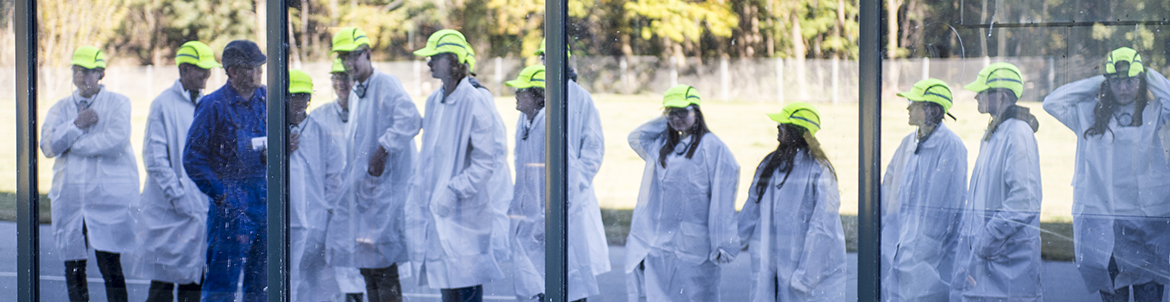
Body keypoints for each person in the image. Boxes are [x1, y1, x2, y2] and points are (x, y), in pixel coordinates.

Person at [1043, 47, 1170, 302]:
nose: (1123, 88)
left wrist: (1149, 75)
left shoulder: (1155, 114)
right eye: (1116, 81)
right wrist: (1097, 83)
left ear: (1140, 81)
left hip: (1145, 229)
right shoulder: (1090, 115)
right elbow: (1052, 102)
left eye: (1131, 81)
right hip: (1107, 233)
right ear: (1108, 82)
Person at [406, 29, 507, 302]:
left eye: (434, 57)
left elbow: (487, 161)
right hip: (438, 211)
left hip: (465, 214)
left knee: (466, 285)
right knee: (446, 285)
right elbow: (430, 158)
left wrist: (452, 192)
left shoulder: (474, 100)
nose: (428, 63)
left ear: (453, 61)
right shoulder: (433, 101)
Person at [326, 27, 422, 302]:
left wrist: (383, 149)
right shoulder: (358, 92)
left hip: (385, 193)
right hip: (367, 194)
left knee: (383, 267)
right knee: (368, 267)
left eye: (353, 57)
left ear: (368, 54)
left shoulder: (385, 84)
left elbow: (411, 119)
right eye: (344, 58)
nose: (348, 64)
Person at [625, 84, 740, 301]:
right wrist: (667, 119)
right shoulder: (664, 145)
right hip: (662, 242)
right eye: (671, 113)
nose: (677, 119)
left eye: (683, 112)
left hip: (696, 244)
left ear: (697, 111)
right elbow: (636, 137)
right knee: (660, 295)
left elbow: (723, 200)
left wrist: (724, 242)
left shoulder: (712, 147)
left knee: (695, 295)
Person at [40, 45, 136, 302]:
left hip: (103, 200)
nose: (81, 77)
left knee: (110, 266)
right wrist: (76, 125)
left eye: (87, 71)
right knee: (73, 269)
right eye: (77, 70)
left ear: (101, 74)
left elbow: (115, 141)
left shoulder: (118, 103)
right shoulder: (61, 109)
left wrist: (73, 144)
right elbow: (48, 146)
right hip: (70, 200)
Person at [183, 39, 269, 302]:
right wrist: (222, 195)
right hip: (230, 211)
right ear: (232, 71)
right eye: (252, 67)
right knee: (222, 284)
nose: (259, 72)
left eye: (260, 66)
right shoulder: (213, 106)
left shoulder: (266, 98)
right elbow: (192, 159)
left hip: (264, 203)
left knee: (262, 283)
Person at [950, 62, 1043, 302]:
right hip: (991, 260)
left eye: (982, 91)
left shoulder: (1017, 133)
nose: (975, 96)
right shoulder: (996, 132)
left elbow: (1024, 200)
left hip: (1006, 264)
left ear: (1001, 96)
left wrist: (986, 239)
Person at [736, 102, 846, 302]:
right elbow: (752, 207)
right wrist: (731, 243)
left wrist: (806, 276)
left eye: (783, 125)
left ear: (798, 131)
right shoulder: (770, 164)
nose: (778, 128)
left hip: (806, 275)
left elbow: (823, 227)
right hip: (775, 268)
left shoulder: (818, 170)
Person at [138, 41, 218, 302]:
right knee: (162, 285)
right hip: (169, 212)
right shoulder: (163, 104)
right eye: (201, 70)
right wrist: (179, 196)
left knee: (194, 282)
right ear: (184, 69)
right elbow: (155, 159)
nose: (207, 75)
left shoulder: (207, 104)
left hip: (199, 208)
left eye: (209, 70)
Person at [535, 40, 611, 295]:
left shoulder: (580, 98)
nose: (546, 62)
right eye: (543, 57)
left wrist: (573, 184)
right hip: (542, 195)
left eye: (551, 56)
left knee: (575, 276)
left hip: (573, 196)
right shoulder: (537, 94)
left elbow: (593, 148)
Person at [880, 79, 967, 301]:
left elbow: (948, 205)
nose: (908, 108)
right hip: (901, 246)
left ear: (933, 111)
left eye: (914, 103)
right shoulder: (907, 143)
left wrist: (927, 245)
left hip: (929, 253)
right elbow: (888, 188)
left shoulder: (951, 147)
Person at [285, 69, 347, 302]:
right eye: (293, 95)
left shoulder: (320, 130)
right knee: (288, 279)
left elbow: (334, 174)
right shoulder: (271, 127)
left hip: (317, 220)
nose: (298, 101)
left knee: (314, 281)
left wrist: (330, 210)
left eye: (303, 95)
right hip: (286, 221)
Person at [313, 57, 369, 302]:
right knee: (330, 273)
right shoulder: (319, 117)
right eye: (336, 77)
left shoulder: (367, 112)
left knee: (359, 269)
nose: (341, 83)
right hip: (330, 205)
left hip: (363, 202)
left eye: (345, 77)